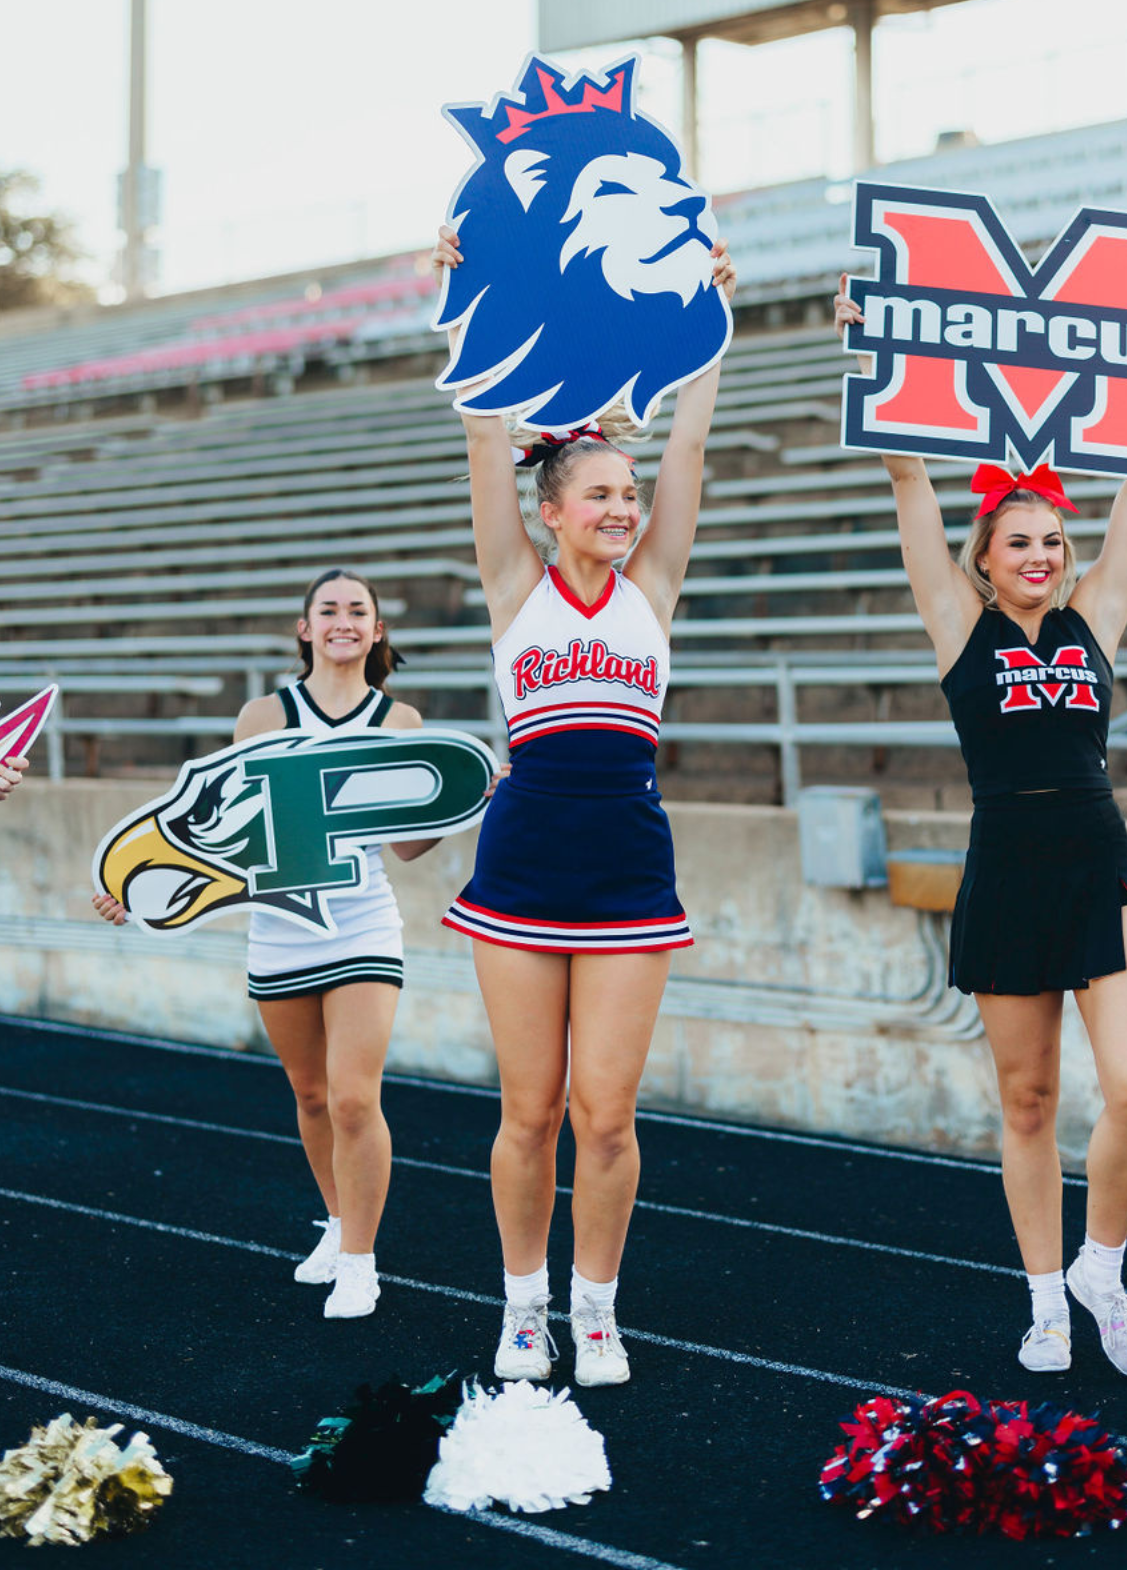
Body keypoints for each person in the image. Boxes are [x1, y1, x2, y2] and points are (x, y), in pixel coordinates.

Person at [836, 276, 1127, 1380]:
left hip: (1100, 861)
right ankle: (1047, 1298)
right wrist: (871, 352)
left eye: (1056, 538)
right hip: (1006, 864)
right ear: (987, 554)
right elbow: (908, 474)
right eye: (1023, 542)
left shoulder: (1095, 616)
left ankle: (1104, 1264)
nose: (1045, 555)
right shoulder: (958, 625)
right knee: (1030, 1099)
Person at [433, 219, 735, 1390]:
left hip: (625, 864)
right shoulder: (516, 583)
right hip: (521, 864)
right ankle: (522, 1305)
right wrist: (463, 294)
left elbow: (693, 445)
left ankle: (596, 1306)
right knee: (531, 1110)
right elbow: (476, 436)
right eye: (602, 492)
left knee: (607, 1113)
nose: (624, 505)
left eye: (629, 492)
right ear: (552, 507)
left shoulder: (654, 585)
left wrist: (706, 326)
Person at [93, 567, 439, 1319]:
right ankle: (338, 1220)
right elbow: (217, 834)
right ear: (304, 628)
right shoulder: (261, 716)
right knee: (311, 1096)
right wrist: (136, 891)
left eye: (358, 611)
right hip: (279, 930)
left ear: (377, 632)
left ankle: (361, 1261)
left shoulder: (399, 721)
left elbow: (407, 848)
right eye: (328, 609)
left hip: (361, 925)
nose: (343, 620)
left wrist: (461, 801)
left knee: (354, 1098)